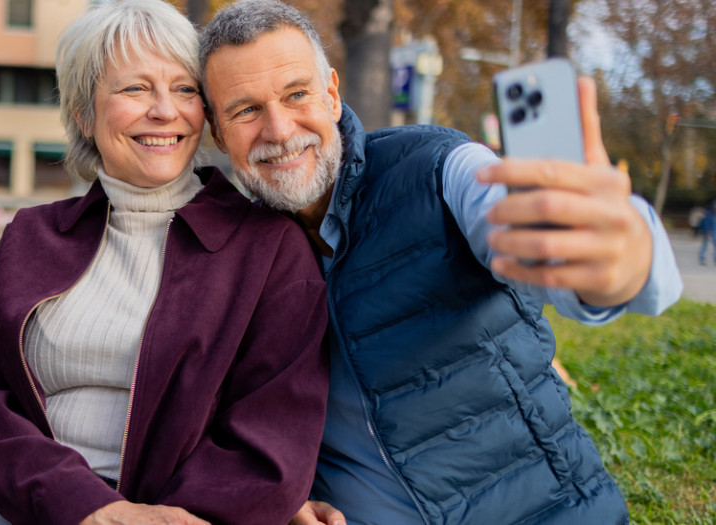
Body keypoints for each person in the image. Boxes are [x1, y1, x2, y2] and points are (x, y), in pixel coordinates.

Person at [196, 1, 683, 524]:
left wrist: (624, 254)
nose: (278, 128)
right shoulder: (232, 253)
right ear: (220, 135)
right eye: (245, 110)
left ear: (333, 94)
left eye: (297, 94)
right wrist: (282, 494)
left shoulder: (435, 169)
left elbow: (519, 224)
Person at [0, 1, 330, 524]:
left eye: (184, 89)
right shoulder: (32, 236)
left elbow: (273, 425)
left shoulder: (266, 248)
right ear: (84, 112)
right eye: (134, 89)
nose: (164, 111)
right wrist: (90, 510)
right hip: (31, 507)